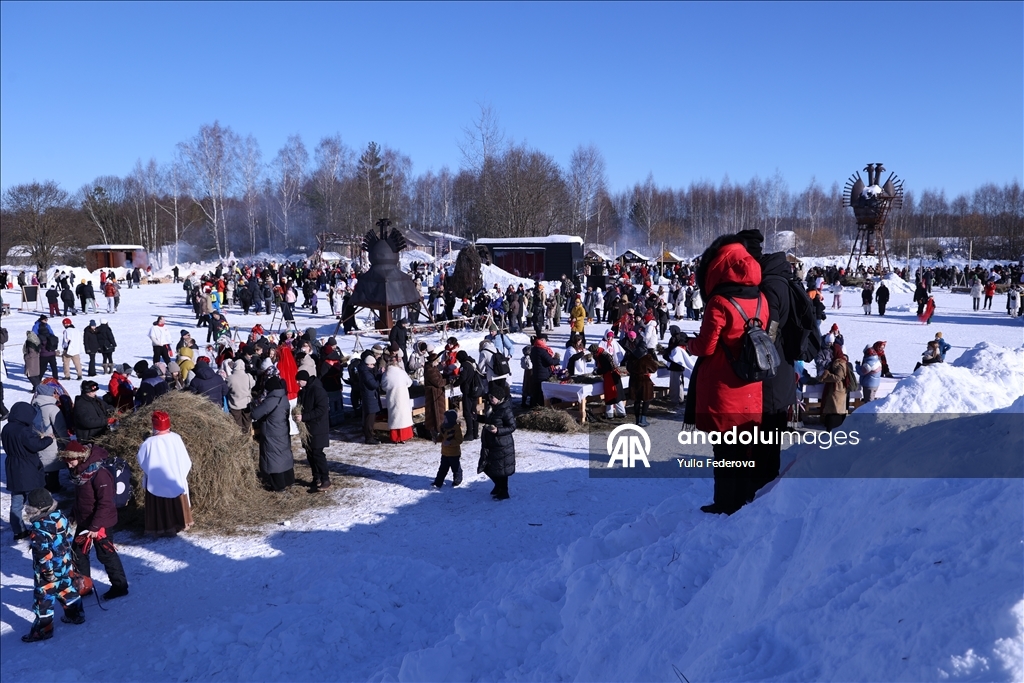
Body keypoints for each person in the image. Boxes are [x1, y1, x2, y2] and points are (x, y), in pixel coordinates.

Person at [685, 239, 768, 515]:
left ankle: (725, 503)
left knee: (724, 452)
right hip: (751, 385)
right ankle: (743, 497)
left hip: (724, 387)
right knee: (744, 448)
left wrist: (688, 345)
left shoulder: (719, 302)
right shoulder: (760, 298)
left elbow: (707, 346)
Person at [59, 441, 129, 601]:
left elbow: (105, 503)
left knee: (106, 554)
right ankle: (85, 585)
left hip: (101, 522)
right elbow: (81, 499)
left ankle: (120, 586)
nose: (69, 466)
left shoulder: (100, 474)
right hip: (84, 520)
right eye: (66, 462)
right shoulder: (79, 472)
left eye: (71, 461)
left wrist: (96, 526)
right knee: (77, 553)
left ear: (80, 457)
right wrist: (73, 514)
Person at [19, 488, 85, 642]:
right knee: (67, 589)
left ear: (37, 508)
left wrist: (47, 573)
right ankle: (76, 615)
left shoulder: (38, 529)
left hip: (48, 572)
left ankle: (43, 631)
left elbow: (43, 554)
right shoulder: (60, 516)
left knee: (44, 601)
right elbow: (68, 536)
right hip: (64, 564)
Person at [136, 411, 193, 536]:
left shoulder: (148, 443)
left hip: (156, 482)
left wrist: (151, 472)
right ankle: (181, 522)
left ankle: (162, 526)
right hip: (175, 479)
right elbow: (185, 459)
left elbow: (141, 460)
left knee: (159, 498)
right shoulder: (176, 438)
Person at [2, 403, 54, 541]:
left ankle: (19, 531)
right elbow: (35, 445)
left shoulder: (6, 428)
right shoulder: (23, 430)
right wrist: (48, 439)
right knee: (38, 499)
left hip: (13, 467)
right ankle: (42, 527)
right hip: (28, 468)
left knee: (16, 502)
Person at [251, 376, 295, 492]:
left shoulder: (271, 400)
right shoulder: (283, 398)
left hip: (272, 432)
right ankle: (289, 480)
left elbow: (255, 414)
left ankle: (278, 485)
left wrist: (253, 406)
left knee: (274, 458)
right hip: (282, 430)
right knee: (283, 454)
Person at [478, 382, 516, 500]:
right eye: (489, 397)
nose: (490, 399)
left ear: (499, 398)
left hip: (502, 444)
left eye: (492, 397)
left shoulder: (505, 410)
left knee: (501, 469)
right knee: (487, 467)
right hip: (492, 443)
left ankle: (503, 491)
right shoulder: (492, 408)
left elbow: (512, 427)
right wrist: (477, 418)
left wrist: (498, 431)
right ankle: (498, 486)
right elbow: (489, 421)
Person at [32, 383, 69, 492]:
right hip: (52, 442)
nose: (55, 395)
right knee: (52, 466)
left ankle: (46, 486)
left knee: (45, 466)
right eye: (54, 393)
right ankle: (54, 488)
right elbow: (60, 428)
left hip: (39, 440)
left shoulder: (35, 406)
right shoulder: (52, 408)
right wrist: (67, 442)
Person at [381, 353, 414, 444]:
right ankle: (404, 436)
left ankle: (395, 437)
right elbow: (409, 382)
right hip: (402, 396)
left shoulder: (386, 374)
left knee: (394, 417)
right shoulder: (401, 372)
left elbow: (384, 386)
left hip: (392, 396)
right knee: (403, 416)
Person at [820, 343, 850, 431]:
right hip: (837, 390)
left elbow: (838, 377)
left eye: (832, 351)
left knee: (835, 411)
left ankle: (832, 430)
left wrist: (827, 375)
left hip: (837, 390)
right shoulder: (838, 361)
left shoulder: (839, 363)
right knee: (833, 410)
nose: (831, 353)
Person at [432, 409, 464, 488]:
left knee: (455, 468)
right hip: (445, 453)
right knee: (442, 469)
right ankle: (438, 482)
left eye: (446, 418)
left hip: (454, 453)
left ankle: (457, 480)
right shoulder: (443, 427)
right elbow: (442, 437)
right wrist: (437, 439)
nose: (444, 419)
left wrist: (450, 442)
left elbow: (459, 440)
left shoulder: (456, 428)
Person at [358, 355, 383, 445]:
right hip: (369, 398)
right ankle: (369, 437)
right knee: (369, 419)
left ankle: (370, 435)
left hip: (369, 397)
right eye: (372, 365)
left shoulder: (366, 372)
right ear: (368, 364)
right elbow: (374, 385)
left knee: (370, 418)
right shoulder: (366, 373)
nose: (373, 367)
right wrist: (380, 377)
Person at [423, 351, 447, 438]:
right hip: (433, 394)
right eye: (437, 361)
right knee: (434, 413)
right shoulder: (430, 370)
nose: (438, 363)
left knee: (438, 413)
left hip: (437, 393)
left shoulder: (433, 368)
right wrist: (447, 381)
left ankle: (438, 429)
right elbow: (438, 382)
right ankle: (434, 431)